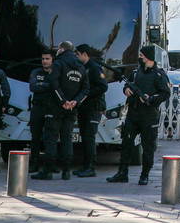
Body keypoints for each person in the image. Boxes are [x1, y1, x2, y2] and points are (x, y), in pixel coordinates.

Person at [107, 44, 170, 185]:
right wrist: (126, 90)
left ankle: (144, 175)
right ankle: (122, 173)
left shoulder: (159, 75)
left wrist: (151, 98)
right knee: (126, 143)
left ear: (148, 57)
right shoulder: (136, 73)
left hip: (149, 116)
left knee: (148, 147)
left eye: (141, 56)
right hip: (133, 114)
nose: (139, 58)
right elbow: (127, 84)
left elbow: (165, 93)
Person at [34, 41, 86, 181]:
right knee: (67, 138)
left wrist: (63, 101)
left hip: (55, 107)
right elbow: (85, 89)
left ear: (62, 49)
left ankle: (48, 171)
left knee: (51, 138)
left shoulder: (58, 63)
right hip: (72, 109)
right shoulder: (81, 66)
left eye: (58, 49)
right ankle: (66, 171)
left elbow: (53, 83)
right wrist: (75, 102)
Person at [73, 44, 109, 177]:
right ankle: (85, 166)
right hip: (84, 108)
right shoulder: (83, 67)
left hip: (94, 108)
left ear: (84, 54)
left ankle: (90, 168)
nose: (76, 57)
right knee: (84, 137)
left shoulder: (94, 68)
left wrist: (86, 94)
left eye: (77, 54)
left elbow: (103, 86)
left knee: (89, 137)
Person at [28, 50, 54, 174]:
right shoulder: (36, 72)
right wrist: (48, 85)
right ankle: (34, 163)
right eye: (43, 59)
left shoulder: (56, 72)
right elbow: (33, 87)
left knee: (51, 138)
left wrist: (42, 85)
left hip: (51, 108)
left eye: (47, 59)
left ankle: (51, 165)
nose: (44, 61)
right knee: (35, 137)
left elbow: (56, 86)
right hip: (37, 108)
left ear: (52, 60)